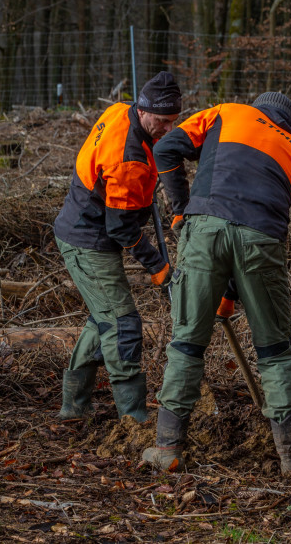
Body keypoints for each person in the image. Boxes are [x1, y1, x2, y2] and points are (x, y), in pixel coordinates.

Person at [141, 92, 291, 475]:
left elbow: (167, 150)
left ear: (258, 108)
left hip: (205, 230)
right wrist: (233, 291)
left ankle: (168, 447)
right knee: (274, 348)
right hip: (262, 239)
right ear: (288, 123)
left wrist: (181, 209)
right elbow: (263, 220)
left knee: (187, 342)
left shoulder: (227, 112)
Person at [53, 71, 181, 422]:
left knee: (103, 320)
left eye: (174, 121)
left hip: (86, 225)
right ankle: (134, 418)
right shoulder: (128, 160)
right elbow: (122, 228)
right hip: (87, 239)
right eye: (163, 121)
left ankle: (73, 407)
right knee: (123, 324)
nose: (168, 129)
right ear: (143, 110)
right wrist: (156, 265)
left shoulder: (120, 111)